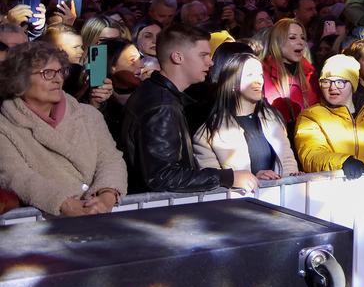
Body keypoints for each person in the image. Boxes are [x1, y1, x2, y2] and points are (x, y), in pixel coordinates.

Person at [123, 24, 255, 194]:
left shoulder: (159, 95)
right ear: (177, 57)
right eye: (203, 55)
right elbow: (162, 175)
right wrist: (228, 178)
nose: (211, 61)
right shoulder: (162, 106)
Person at [0, 40, 127, 216]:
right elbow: (18, 177)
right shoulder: (5, 127)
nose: (58, 79)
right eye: (48, 73)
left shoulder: (89, 115)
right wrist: (66, 204)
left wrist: (107, 195)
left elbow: (111, 159)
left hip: (103, 215)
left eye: (60, 71)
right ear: (19, 79)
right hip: (49, 225)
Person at [194, 50, 299, 182]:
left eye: (260, 75)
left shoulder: (273, 119)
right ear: (233, 84)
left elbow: (287, 161)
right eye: (250, 75)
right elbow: (212, 181)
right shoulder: (208, 133)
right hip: (240, 200)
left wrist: (293, 179)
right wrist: (254, 178)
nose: (258, 80)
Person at [293, 54, 364, 177]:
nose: (332, 87)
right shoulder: (311, 116)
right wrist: (343, 161)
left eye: (340, 82)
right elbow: (311, 154)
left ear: (352, 83)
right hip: (332, 187)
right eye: (326, 82)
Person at [263, 19, 319, 125]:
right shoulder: (263, 72)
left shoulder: (311, 75)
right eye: (292, 37)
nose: (300, 42)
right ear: (277, 42)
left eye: (302, 38)